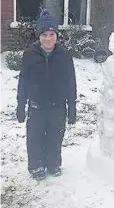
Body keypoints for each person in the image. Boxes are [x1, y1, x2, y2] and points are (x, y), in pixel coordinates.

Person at [16, 10, 77, 180]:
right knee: (35, 138)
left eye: (52, 34)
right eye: (44, 35)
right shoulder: (30, 54)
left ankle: (53, 163)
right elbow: (23, 81)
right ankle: (36, 166)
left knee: (55, 137)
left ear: (56, 35)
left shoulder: (64, 55)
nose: (48, 38)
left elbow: (71, 82)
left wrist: (72, 107)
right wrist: (21, 105)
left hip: (58, 107)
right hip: (36, 106)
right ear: (39, 36)